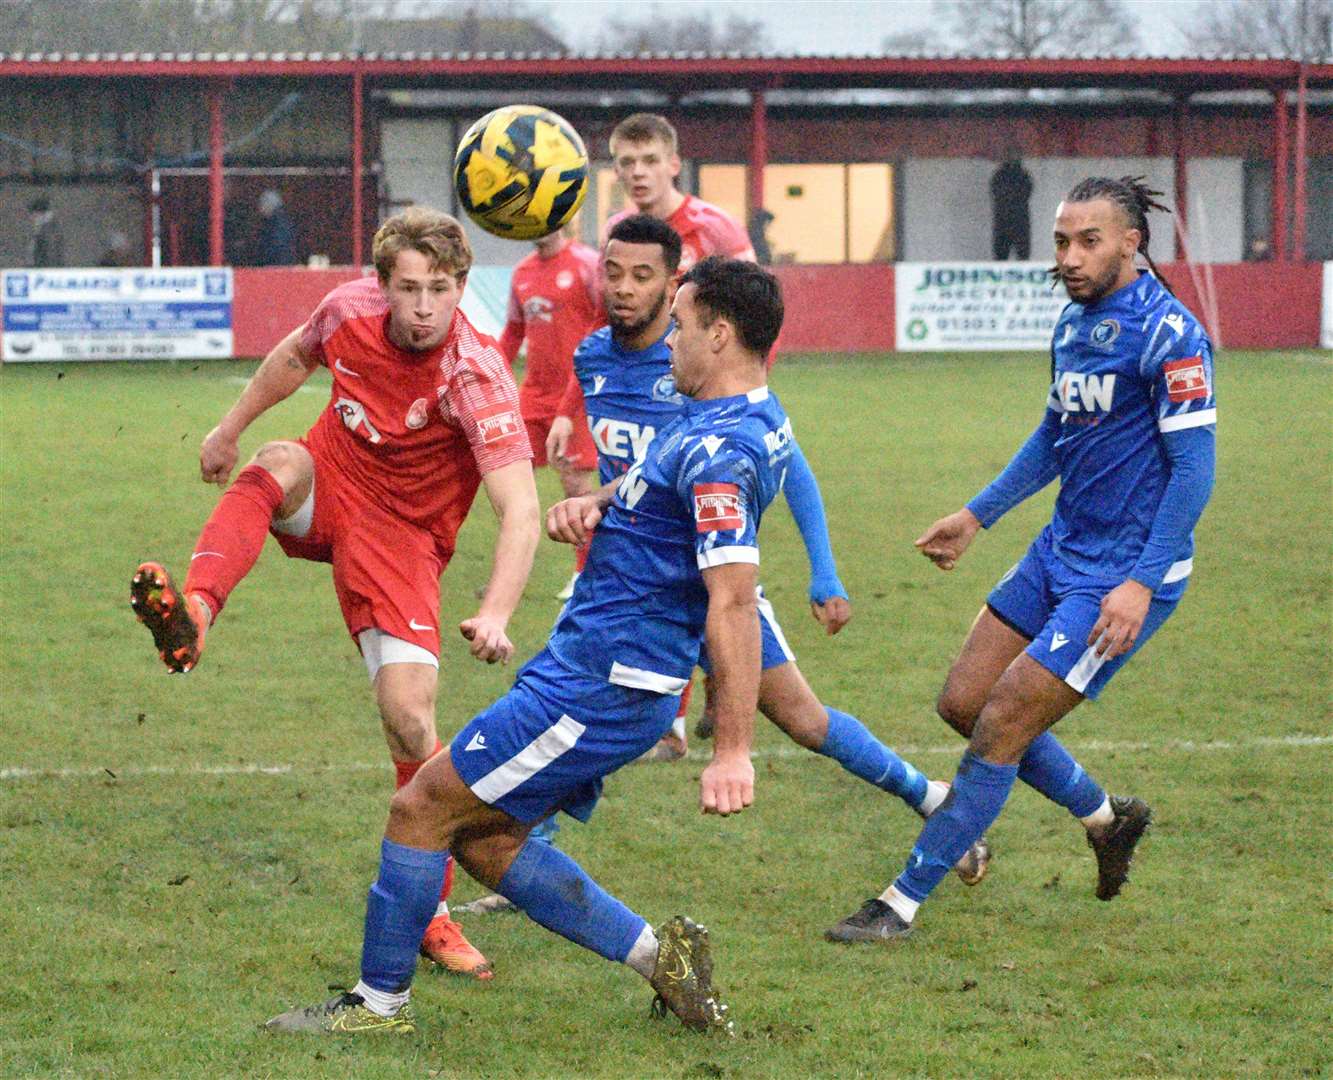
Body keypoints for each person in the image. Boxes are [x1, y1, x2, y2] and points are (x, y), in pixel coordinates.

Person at [263, 257, 792, 1037]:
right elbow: (666, 481)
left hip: (600, 685)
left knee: (419, 808)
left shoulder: (724, 454)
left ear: (719, 335)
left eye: (679, 327)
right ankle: (664, 961)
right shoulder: (732, 421)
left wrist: (732, 749)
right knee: (485, 837)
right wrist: (599, 505)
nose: (668, 342)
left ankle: (377, 1006)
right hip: (595, 669)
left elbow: (734, 598)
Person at [130, 207, 538, 980]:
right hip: (331, 485)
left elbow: (519, 506)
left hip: (404, 540)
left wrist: (496, 609)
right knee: (277, 459)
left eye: (441, 289)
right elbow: (293, 355)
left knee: (411, 724)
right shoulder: (347, 310)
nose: (424, 307)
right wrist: (228, 428)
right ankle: (195, 617)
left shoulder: (475, 374)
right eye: (409, 289)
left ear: (462, 287)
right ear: (381, 286)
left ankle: (433, 914)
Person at [827, 176, 1217, 943]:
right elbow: (1053, 438)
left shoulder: (1171, 335)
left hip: (1124, 571)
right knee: (963, 704)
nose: (1069, 258)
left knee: (1001, 722)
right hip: (1058, 551)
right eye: (1061, 242)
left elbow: (1193, 470)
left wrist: (1140, 582)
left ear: (1131, 243)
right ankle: (1106, 820)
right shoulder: (1073, 327)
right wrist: (975, 516)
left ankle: (898, 903)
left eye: (1088, 241)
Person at [497, 224, 604, 600]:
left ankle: (585, 572)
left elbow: (605, 320)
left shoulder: (588, 264)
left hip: (575, 397)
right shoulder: (522, 273)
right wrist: (492, 374)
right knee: (507, 475)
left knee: (575, 485)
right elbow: (513, 331)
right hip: (534, 396)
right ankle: (509, 570)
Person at [602, 112, 755, 273]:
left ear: (674, 165)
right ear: (616, 171)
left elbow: (752, 295)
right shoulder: (615, 230)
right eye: (627, 162)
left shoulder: (717, 227)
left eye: (651, 161)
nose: (638, 172)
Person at [990, 155, 1034, 261]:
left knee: (1003, 257)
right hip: (1015, 220)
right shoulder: (1023, 175)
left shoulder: (1000, 175)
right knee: (1018, 256)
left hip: (1009, 219)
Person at [254, 188, 297, 265]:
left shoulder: (277, 223)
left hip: (277, 265)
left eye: (262, 204)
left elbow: (278, 246)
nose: (260, 208)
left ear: (269, 205)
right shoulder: (276, 220)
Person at [28, 195, 64, 268]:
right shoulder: (43, 228)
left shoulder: (47, 231)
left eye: (33, 215)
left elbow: (50, 254)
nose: (31, 218)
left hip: (46, 270)